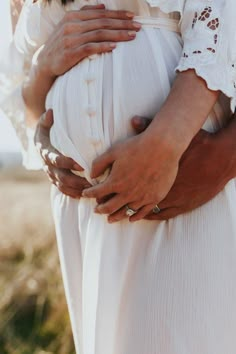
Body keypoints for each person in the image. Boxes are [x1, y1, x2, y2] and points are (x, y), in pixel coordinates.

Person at [1, 1, 236, 354]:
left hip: (179, 175)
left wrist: (169, 142)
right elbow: (24, 91)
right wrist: (42, 73)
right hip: (82, 210)